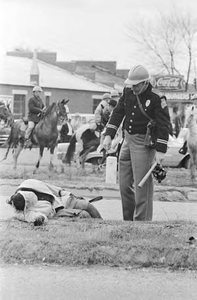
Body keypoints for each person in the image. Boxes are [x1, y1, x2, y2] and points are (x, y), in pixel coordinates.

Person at [103, 64, 170, 221]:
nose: (133, 88)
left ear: (145, 83)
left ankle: (142, 223)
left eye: (136, 85)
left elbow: (164, 124)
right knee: (124, 184)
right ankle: (128, 221)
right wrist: (109, 135)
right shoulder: (128, 92)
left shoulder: (156, 97)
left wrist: (160, 150)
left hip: (143, 143)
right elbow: (118, 112)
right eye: (131, 85)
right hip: (127, 140)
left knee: (142, 187)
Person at [7, 179, 102, 225]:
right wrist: (38, 219)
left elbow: (50, 187)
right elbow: (30, 216)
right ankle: (94, 228)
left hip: (61, 200)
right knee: (84, 214)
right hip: (57, 211)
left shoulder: (29, 183)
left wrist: (64, 192)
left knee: (87, 205)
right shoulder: (19, 210)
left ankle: (102, 224)